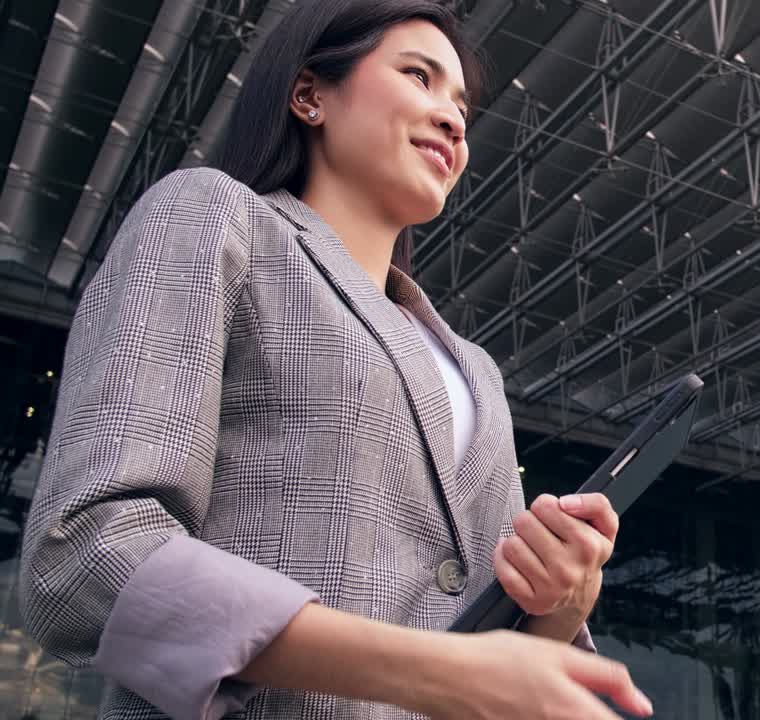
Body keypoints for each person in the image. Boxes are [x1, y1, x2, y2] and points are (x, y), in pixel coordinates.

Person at [18, 2, 654, 719]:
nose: (453, 119)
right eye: (419, 76)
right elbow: (86, 552)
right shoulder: (216, 217)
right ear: (310, 95)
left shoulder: (476, 371)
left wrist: (557, 607)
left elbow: (496, 667)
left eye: (461, 106)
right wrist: (433, 671)